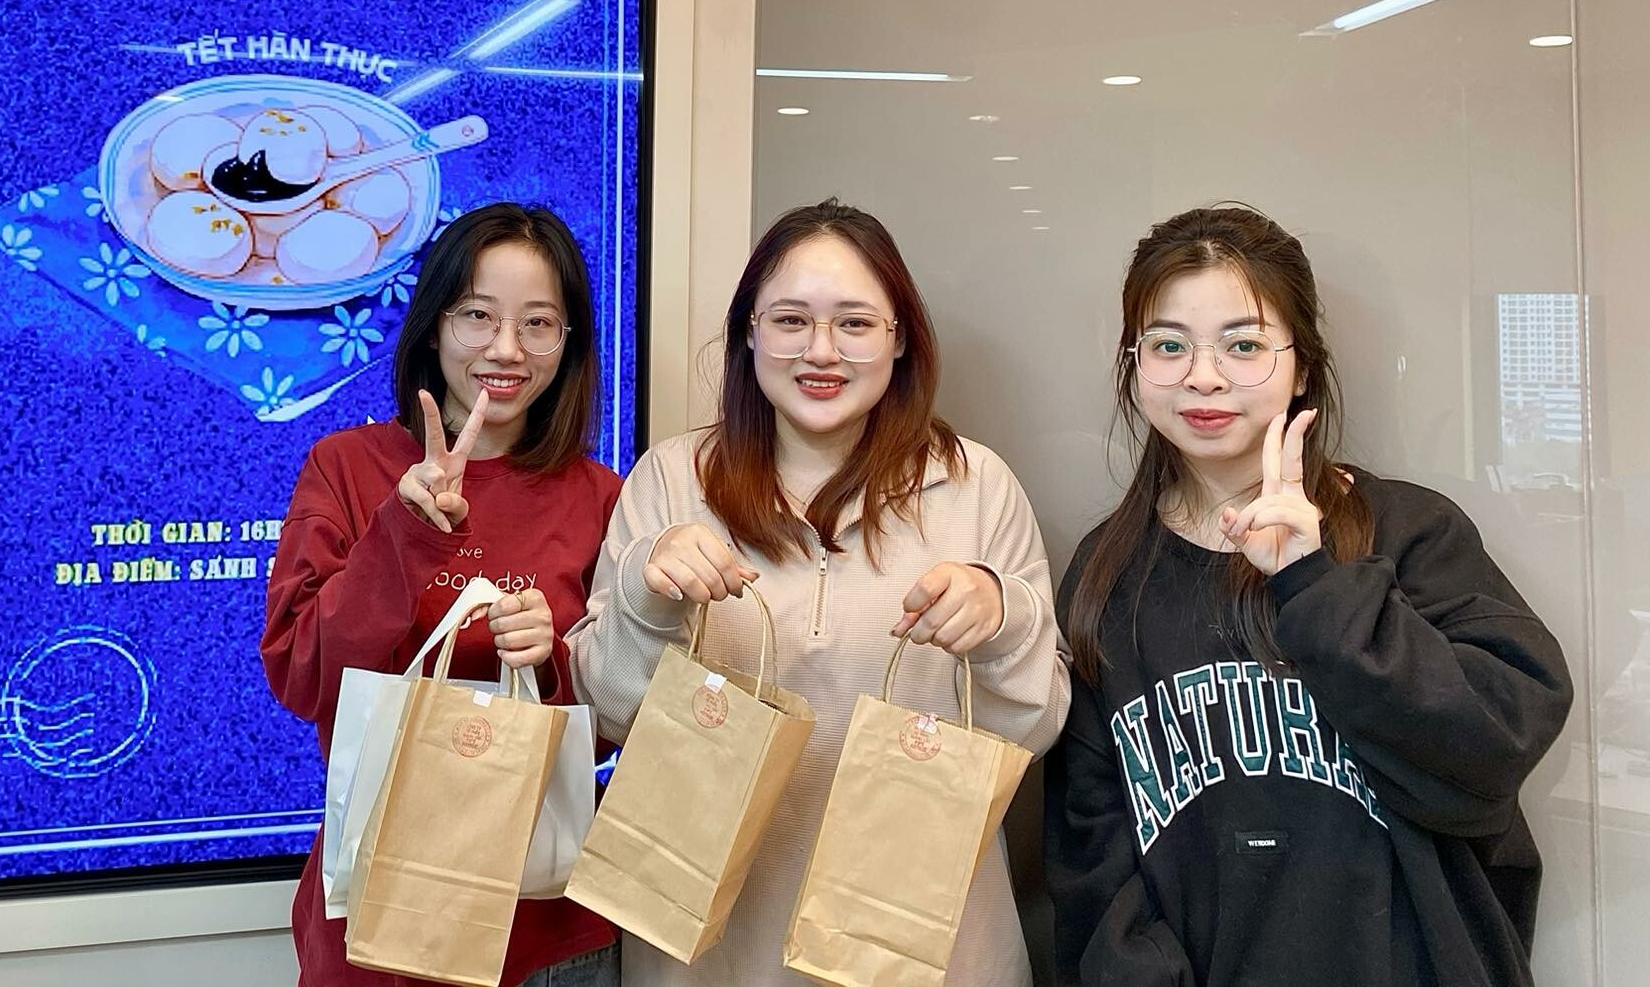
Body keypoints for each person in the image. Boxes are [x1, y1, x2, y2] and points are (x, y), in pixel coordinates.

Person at [1044, 205, 1573, 987]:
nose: (1203, 376)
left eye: (1244, 344)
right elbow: (1091, 845)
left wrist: (1310, 577)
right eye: (1168, 345)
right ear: (1134, 366)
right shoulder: (1108, 572)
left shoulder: (1407, 530)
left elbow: (1493, 748)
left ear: (1301, 367)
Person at [570, 198, 1069, 985]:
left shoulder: (976, 486)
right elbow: (608, 712)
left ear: (900, 338)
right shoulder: (671, 480)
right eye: (791, 320)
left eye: (856, 323)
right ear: (749, 332)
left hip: (930, 955)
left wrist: (1002, 619)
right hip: (712, 954)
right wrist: (646, 590)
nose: (821, 351)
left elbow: (1032, 729)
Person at [261, 202, 623, 987]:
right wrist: (404, 532)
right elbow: (302, 676)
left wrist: (552, 663)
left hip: (544, 925)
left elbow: (611, 731)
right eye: (477, 316)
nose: (506, 348)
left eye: (538, 323)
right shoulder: (346, 467)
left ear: (569, 341)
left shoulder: (600, 496)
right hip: (379, 909)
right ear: (433, 326)